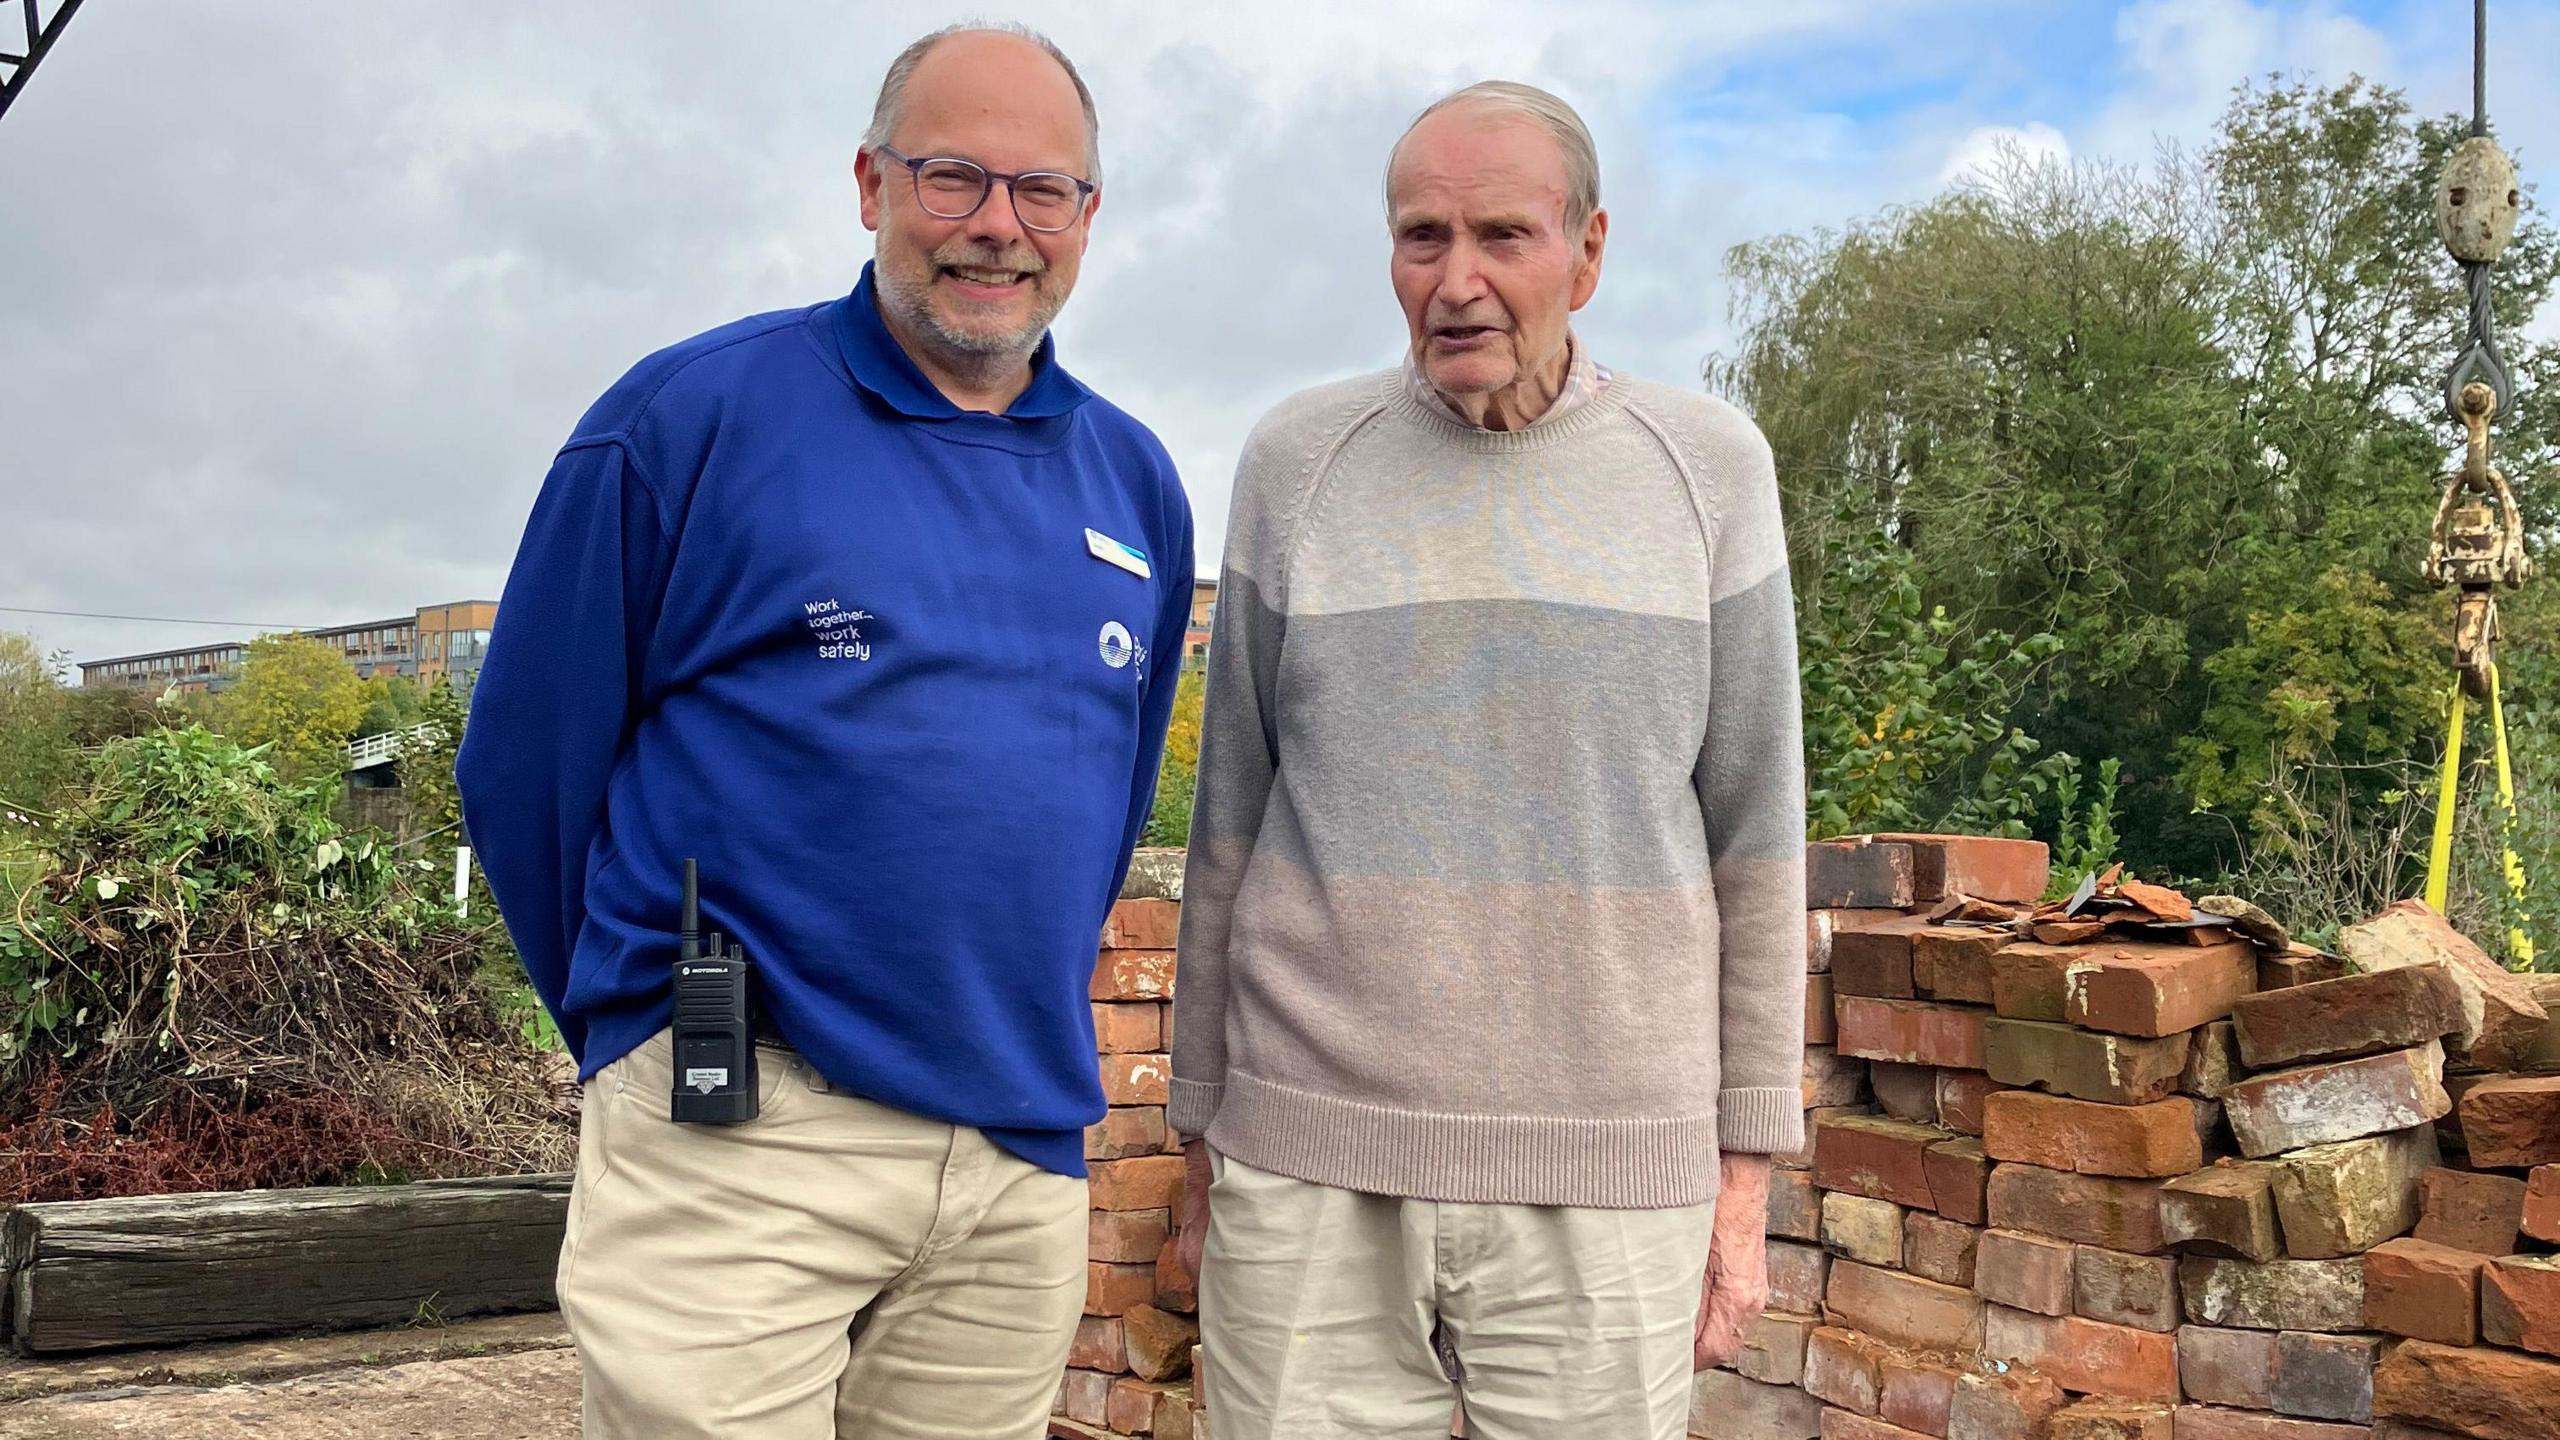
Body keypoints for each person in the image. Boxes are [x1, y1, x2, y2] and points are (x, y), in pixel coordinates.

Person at [458, 24, 1193, 1439]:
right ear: (869, 184)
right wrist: (639, 1037)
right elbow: (525, 772)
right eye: (954, 178)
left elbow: (1100, 810)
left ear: (1089, 219)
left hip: (1012, 1162)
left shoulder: (1135, 480)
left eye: (1043, 191)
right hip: (739, 1132)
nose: (998, 226)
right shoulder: (691, 419)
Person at [1168, 79, 1807, 1439]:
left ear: (1588, 249)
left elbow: (1757, 840)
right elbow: (1229, 823)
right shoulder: (1297, 464)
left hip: (1612, 1178)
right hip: (1308, 1159)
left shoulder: (1707, 470)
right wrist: (1199, 1129)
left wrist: (1743, 1177)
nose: (1457, 281)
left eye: (1503, 236)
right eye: (1421, 237)